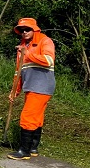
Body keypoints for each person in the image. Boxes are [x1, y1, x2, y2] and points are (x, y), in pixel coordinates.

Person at [7, 18, 56, 160]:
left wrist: (27, 53)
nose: (24, 32)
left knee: (27, 117)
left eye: (27, 29)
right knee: (36, 117)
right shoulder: (22, 46)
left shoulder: (45, 41)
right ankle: (33, 148)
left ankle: (24, 151)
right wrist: (14, 91)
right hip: (30, 86)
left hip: (41, 86)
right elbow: (19, 71)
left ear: (35, 29)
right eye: (21, 30)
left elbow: (49, 60)